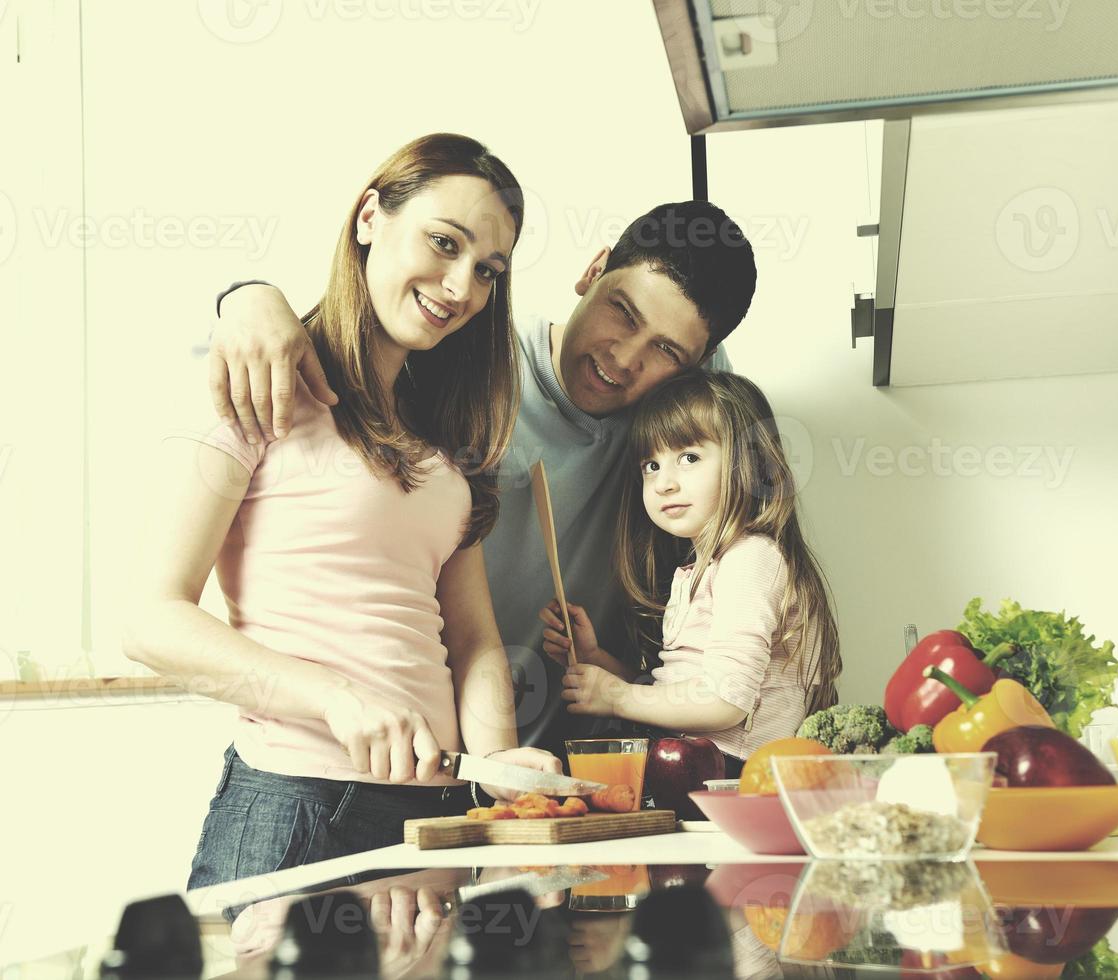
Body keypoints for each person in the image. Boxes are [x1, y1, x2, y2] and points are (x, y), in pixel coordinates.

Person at [123, 133, 560, 903]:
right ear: (369, 217)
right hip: (301, 808)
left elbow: (474, 639)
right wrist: (336, 698)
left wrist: (499, 778)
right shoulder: (258, 380)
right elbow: (149, 622)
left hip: (438, 820)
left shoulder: (443, 440)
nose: (461, 287)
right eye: (443, 242)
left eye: (487, 270)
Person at [208, 200, 757, 751]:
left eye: (665, 350)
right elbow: (358, 323)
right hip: (403, 743)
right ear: (593, 270)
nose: (625, 357)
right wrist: (248, 296)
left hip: (584, 754)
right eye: (623, 312)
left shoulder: (686, 404)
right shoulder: (468, 359)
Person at [540, 371, 841, 776]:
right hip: (697, 765)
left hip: (733, 774)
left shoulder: (751, 559)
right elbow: (680, 690)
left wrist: (617, 697)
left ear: (750, 461)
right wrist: (598, 660)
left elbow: (724, 700)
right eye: (651, 464)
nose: (664, 483)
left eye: (689, 458)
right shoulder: (701, 568)